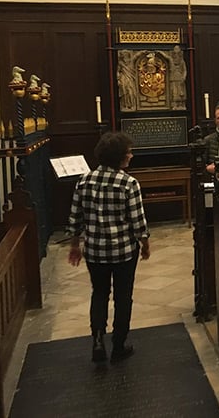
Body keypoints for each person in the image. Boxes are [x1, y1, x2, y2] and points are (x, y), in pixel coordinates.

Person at [67, 131, 150, 363]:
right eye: (128, 152)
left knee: (100, 293)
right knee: (124, 296)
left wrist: (75, 245)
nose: (131, 156)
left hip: (94, 251)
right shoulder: (129, 183)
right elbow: (137, 220)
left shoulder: (84, 181)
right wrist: (145, 243)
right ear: (119, 157)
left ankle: (97, 340)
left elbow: (75, 218)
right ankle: (119, 344)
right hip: (123, 251)